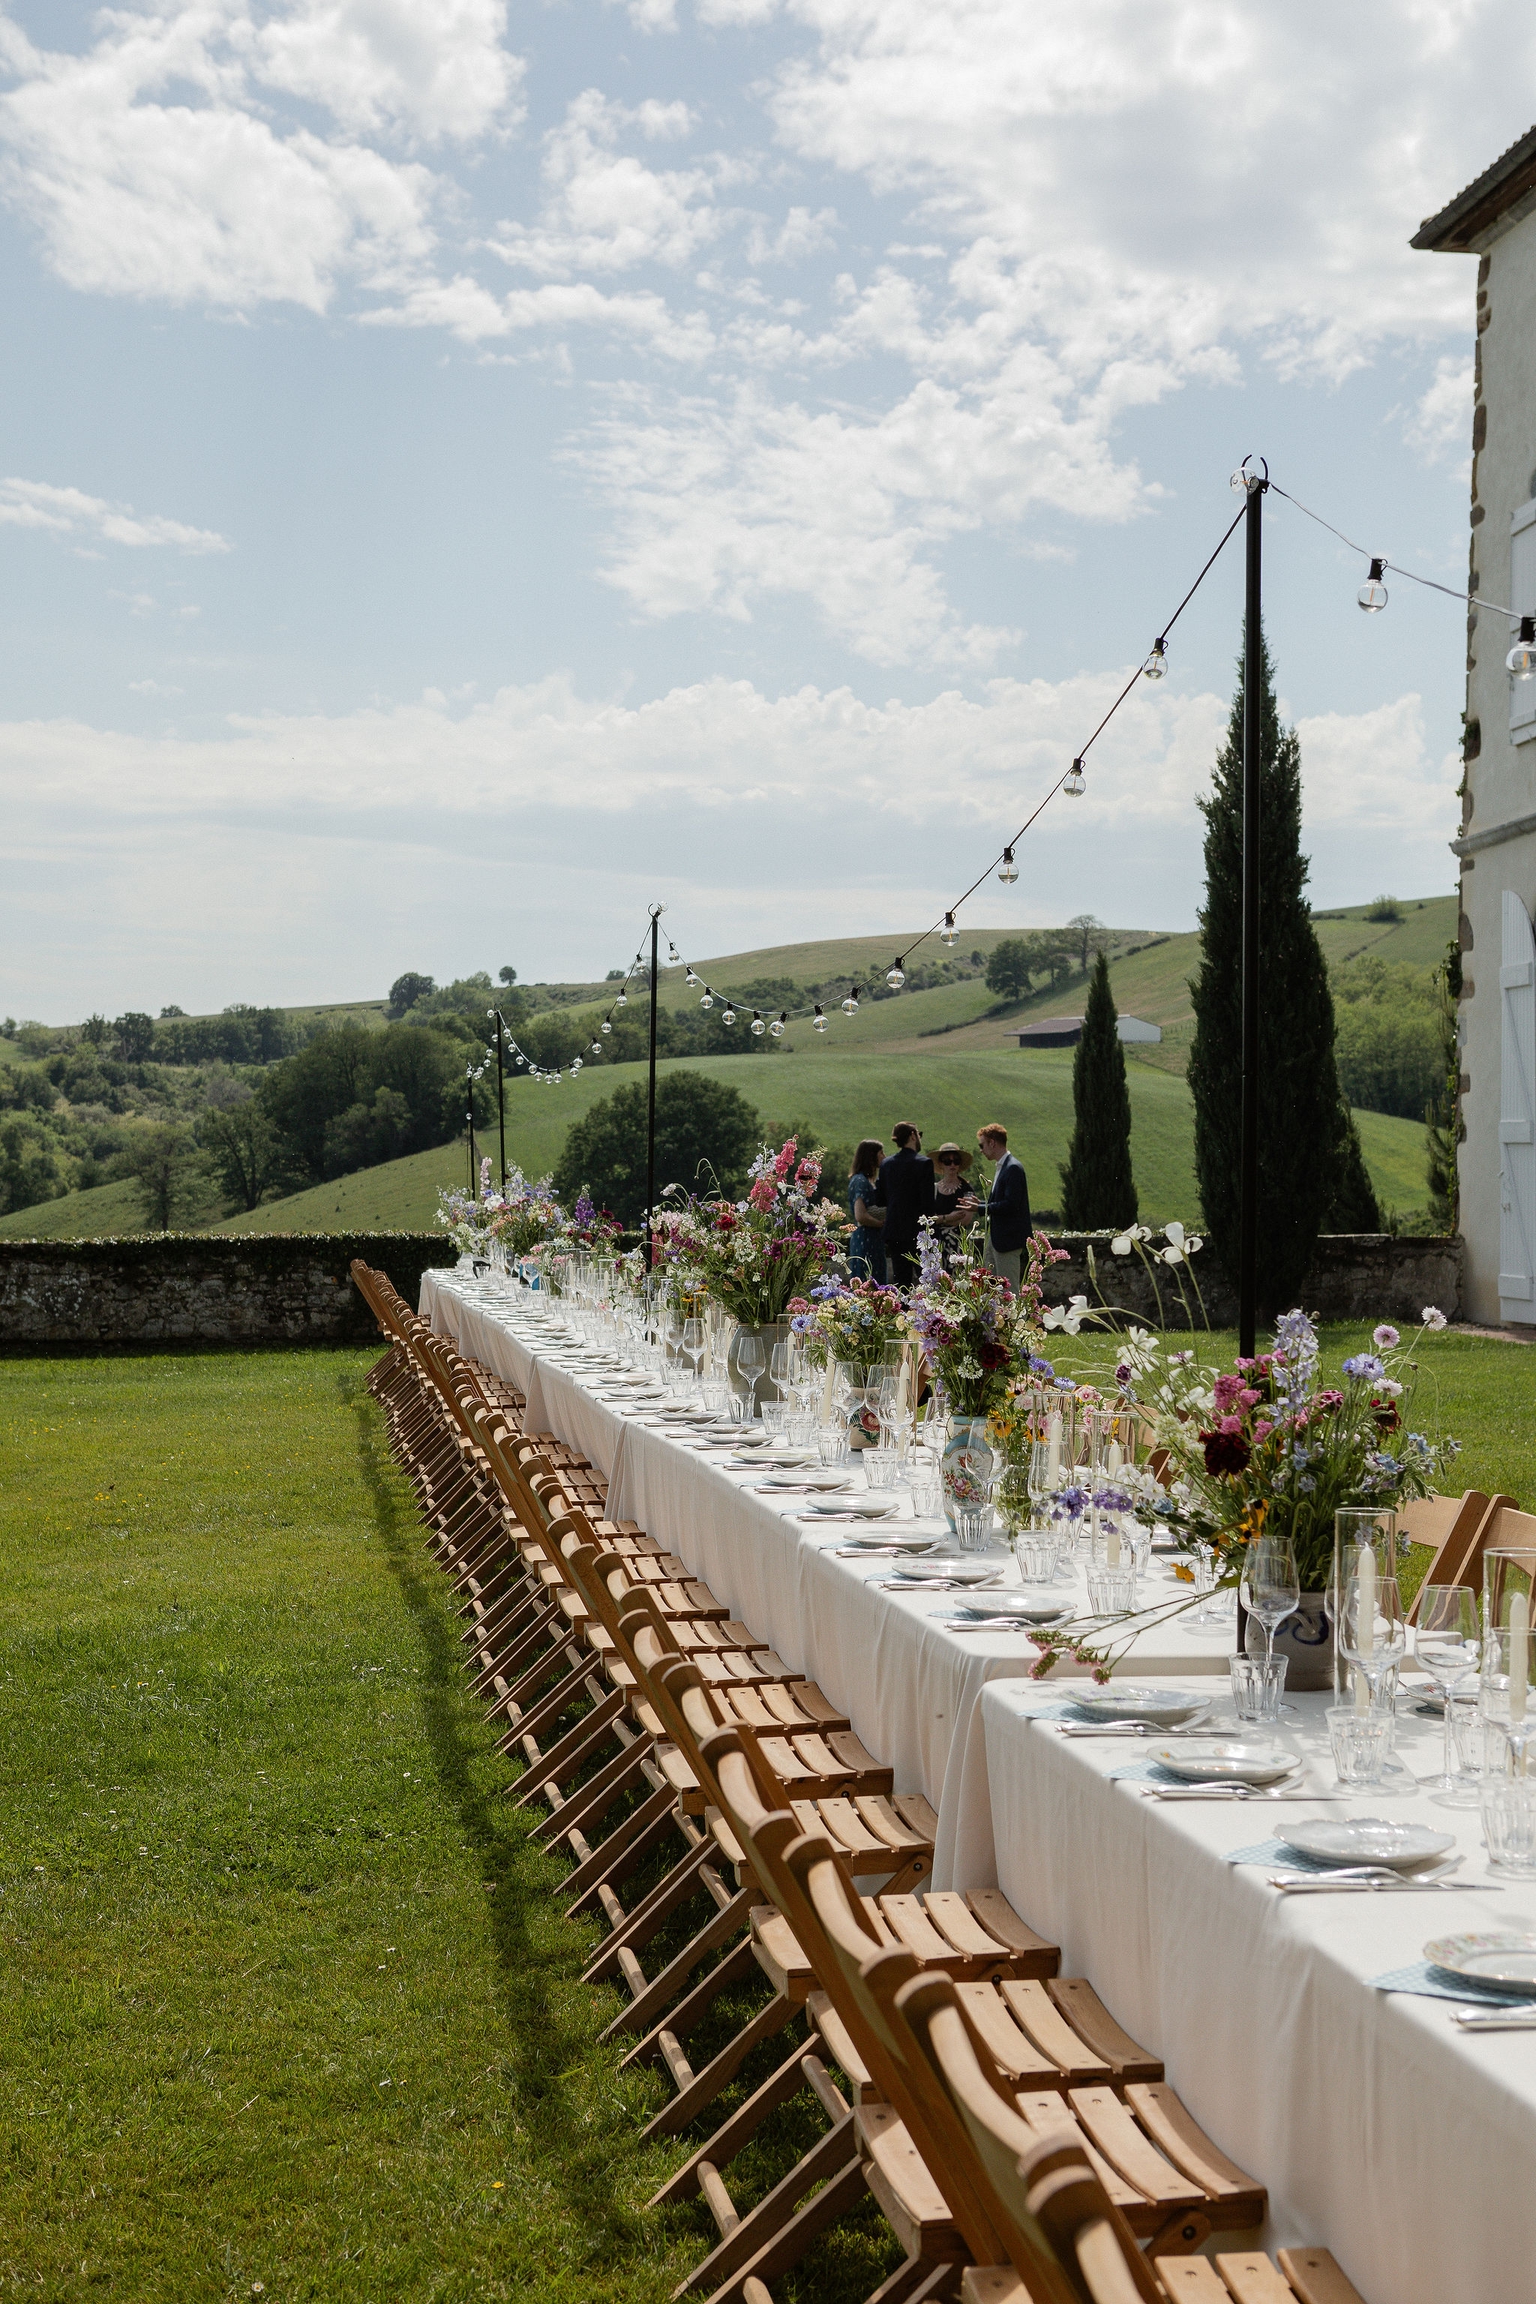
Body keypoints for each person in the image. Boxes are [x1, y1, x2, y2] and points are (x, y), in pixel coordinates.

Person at [878, 1122, 935, 1286]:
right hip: (918, 1234)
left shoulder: (886, 1164)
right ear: (912, 1135)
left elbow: (881, 1200)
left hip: (895, 1232)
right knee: (927, 1282)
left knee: (901, 1283)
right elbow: (928, 1205)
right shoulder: (924, 1163)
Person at [975, 1122, 1032, 1286]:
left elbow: (1010, 1204)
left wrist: (978, 1207)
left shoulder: (1012, 1168)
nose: (981, 1150)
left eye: (982, 1145)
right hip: (997, 1239)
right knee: (990, 1290)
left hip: (1007, 1241)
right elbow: (999, 1202)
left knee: (1009, 1292)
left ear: (992, 1142)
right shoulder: (1004, 1166)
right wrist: (978, 1203)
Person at [846, 1140, 887, 1282]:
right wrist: (881, 1223)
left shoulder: (870, 1181)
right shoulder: (860, 1181)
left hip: (874, 1239)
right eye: (881, 1153)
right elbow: (860, 1215)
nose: (884, 1156)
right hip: (866, 1239)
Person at [931, 1142, 980, 1259]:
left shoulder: (966, 1189)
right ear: (940, 1164)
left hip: (957, 1245)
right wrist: (949, 1218)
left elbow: (965, 1219)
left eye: (956, 1161)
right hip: (936, 1244)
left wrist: (939, 1220)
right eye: (947, 1161)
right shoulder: (934, 1189)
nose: (952, 1165)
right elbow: (927, 1219)